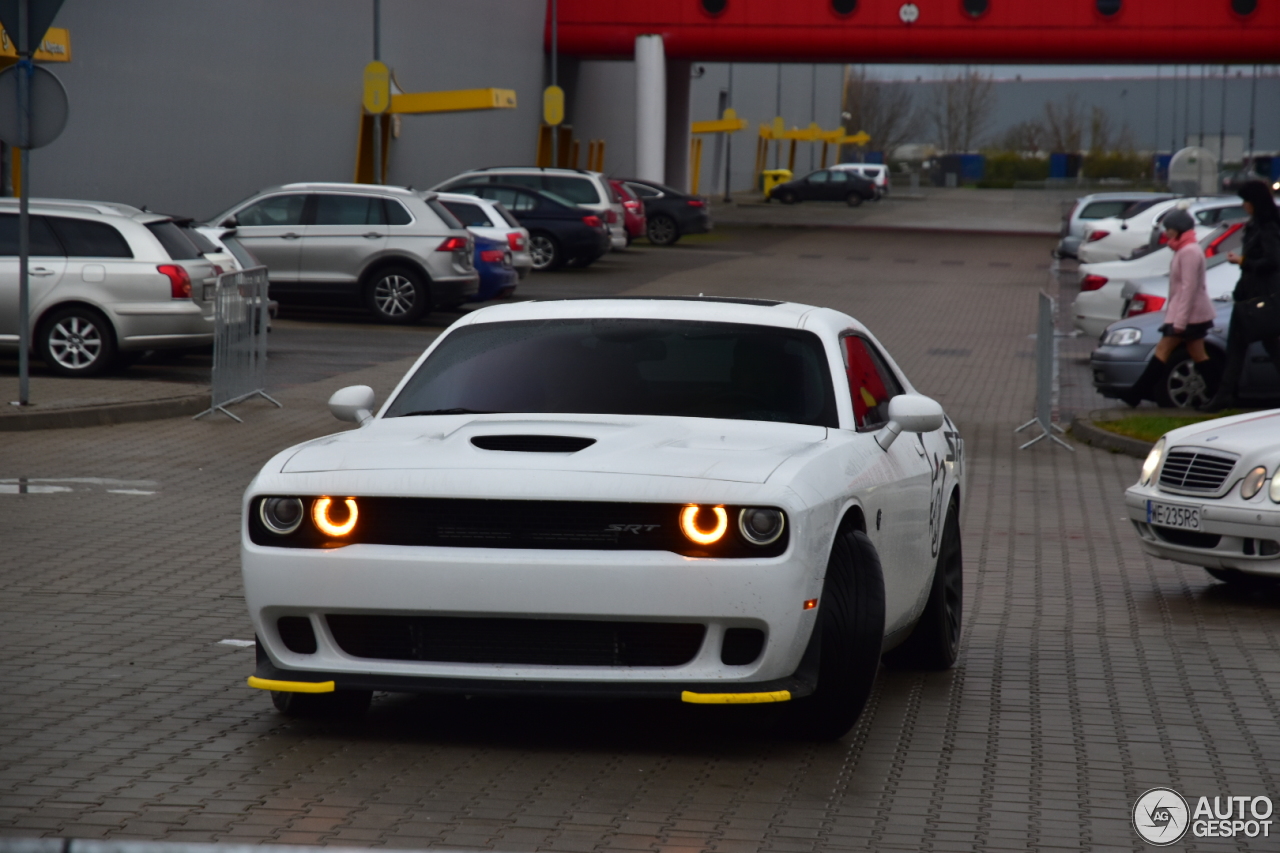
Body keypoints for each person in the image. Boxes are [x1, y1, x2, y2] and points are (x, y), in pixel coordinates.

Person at [1199, 180, 1280, 412]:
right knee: (1240, 347)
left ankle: (1223, 397)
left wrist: (1243, 261)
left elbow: (1273, 261)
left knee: (1264, 345)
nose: (1243, 205)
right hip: (1248, 296)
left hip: (1259, 297)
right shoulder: (1257, 224)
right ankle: (1223, 396)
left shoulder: (1267, 227)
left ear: (1255, 202)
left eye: (1246, 201)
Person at [1121, 208, 1214, 406]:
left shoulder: (1188, 251)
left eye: (1169, 229)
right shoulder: (1186, 249)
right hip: (1191, 314)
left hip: (1188, 316)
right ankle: (1218, 393)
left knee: (1164, 350)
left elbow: (1189, 288)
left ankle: (1136, 394)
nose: (1166, 233)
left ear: (1179, 229)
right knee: (1198, 354)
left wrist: (1179, 320)